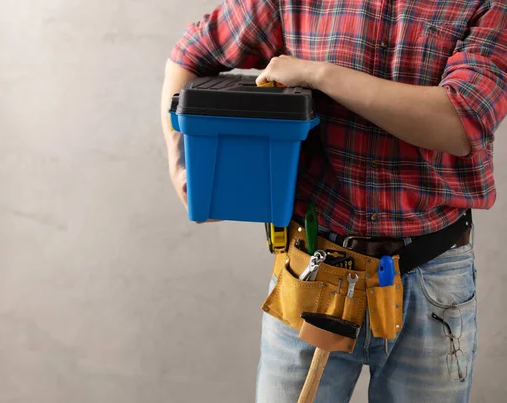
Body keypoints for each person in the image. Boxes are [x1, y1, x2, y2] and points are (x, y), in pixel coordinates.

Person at [160, 1, 506, 402]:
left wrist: (316, 73)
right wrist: (182, 163)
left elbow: (460, 123)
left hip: (432, 278)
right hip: (312, 270)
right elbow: (190, 54)